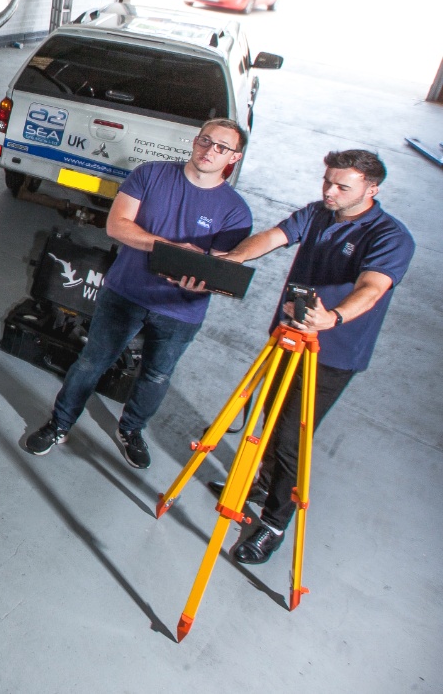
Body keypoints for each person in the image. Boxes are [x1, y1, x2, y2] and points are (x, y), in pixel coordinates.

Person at [214, 149, 414, 565]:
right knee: (270, 416)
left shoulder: (390, 236)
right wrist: (233, 258)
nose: (330, 191)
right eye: (327, 181)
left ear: (371, 189)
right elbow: (274, 236)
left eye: (343, 186)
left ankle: (273, 523)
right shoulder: (319, 213)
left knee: (292, 438)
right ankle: (261, 484)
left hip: (332, 352)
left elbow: (373, 287)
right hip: (288, 336)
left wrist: (334, 316)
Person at [23, 119, 253, 469]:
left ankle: (131, 430)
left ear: (233, 157)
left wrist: (199, 278)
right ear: (195, 141)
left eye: (221, 147)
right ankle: (59, 424)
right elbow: (117, 226)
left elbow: (219, 267)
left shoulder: (235, 211)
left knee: (157, 375)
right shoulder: (151, 175)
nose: (209, 151)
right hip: (126, 292)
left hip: (181, 309)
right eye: (205, 141)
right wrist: (173, 249)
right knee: (91, 362)